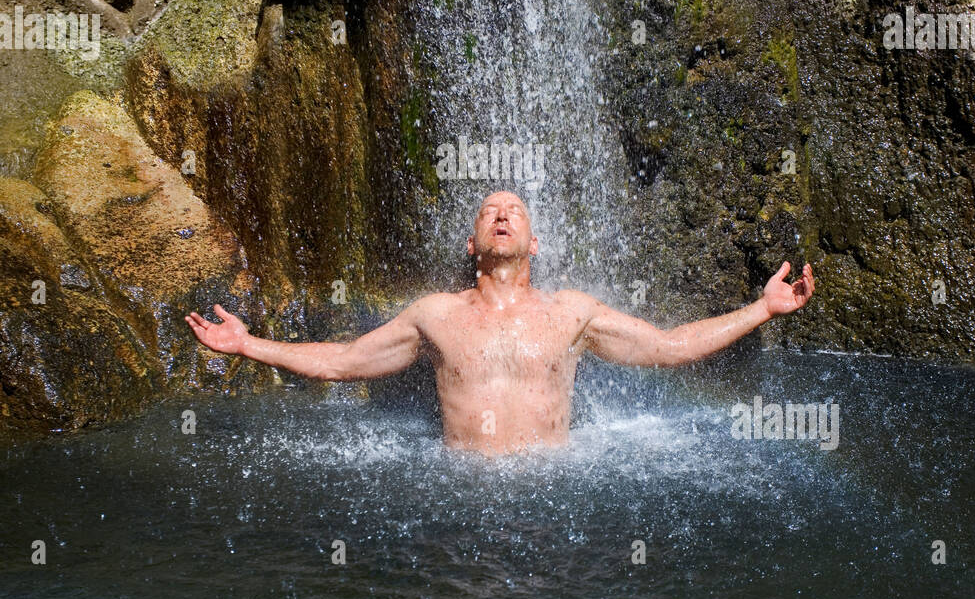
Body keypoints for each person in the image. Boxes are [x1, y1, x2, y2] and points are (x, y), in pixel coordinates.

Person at [185, 190, 815, 455]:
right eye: (491, 212)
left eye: (515, 211)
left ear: (535, 244)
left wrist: (762, 309)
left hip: (554, 488)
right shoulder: (434, 315)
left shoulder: (573, 313)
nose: (503, 215)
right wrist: (247, 345)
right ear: (472, 243)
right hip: (460, 494)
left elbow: (671, 346)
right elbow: (347, 361)